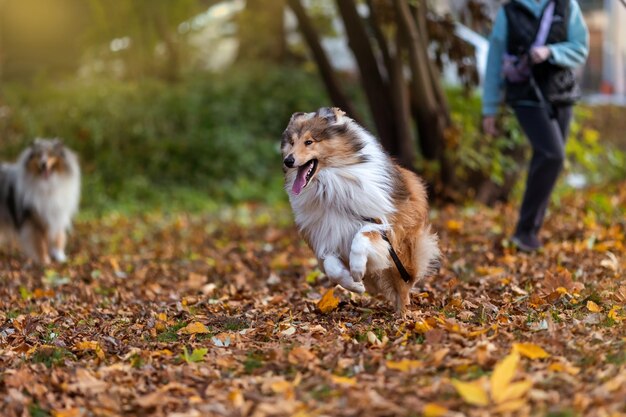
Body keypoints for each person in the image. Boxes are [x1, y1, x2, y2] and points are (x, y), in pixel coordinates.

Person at [482, 0, 589, 252]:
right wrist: (490, 109)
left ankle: (528, 232)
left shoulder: (566, 6)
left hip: (561, 93)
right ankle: (525, 230)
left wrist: (551, 52)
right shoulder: (509, 12)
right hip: (525, 94)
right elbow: (494, 62)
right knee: (552, 154)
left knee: (550, 159)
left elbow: (580, 47)